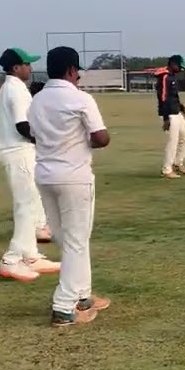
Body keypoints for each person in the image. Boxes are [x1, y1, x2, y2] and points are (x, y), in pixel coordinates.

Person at [27, 46, 112, 327]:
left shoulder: (37, 100)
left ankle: (82, 295)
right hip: (74, 177)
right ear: (72, 71)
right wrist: (82, 142)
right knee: (75, 242)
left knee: (70, 240)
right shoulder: (80, 98)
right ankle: (64, 307)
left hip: (45, 176)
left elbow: (33, 135)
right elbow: (101, 138)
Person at [0, 48, 59, 282]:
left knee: (31, 204)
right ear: (15, 68)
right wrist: (47, 140)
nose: (30, 68)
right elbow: (23, 126)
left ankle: (30, 256)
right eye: (27, 64)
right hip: (18, 152)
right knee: (26, 206)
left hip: (20, 151)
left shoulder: (13, 87)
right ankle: (11, 259)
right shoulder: (16, 89)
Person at [156, 55, 185, 179]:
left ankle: (177, 163)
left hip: (176, 112)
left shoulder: (172, 77)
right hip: (169, 114)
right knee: (173, 142)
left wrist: (182, 109)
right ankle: (167, 170)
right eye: (179, 66)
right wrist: (166, 118)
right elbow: (163, 98)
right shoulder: (165, 77)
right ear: (172, 64)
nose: (180, 70)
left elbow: (174, 97)